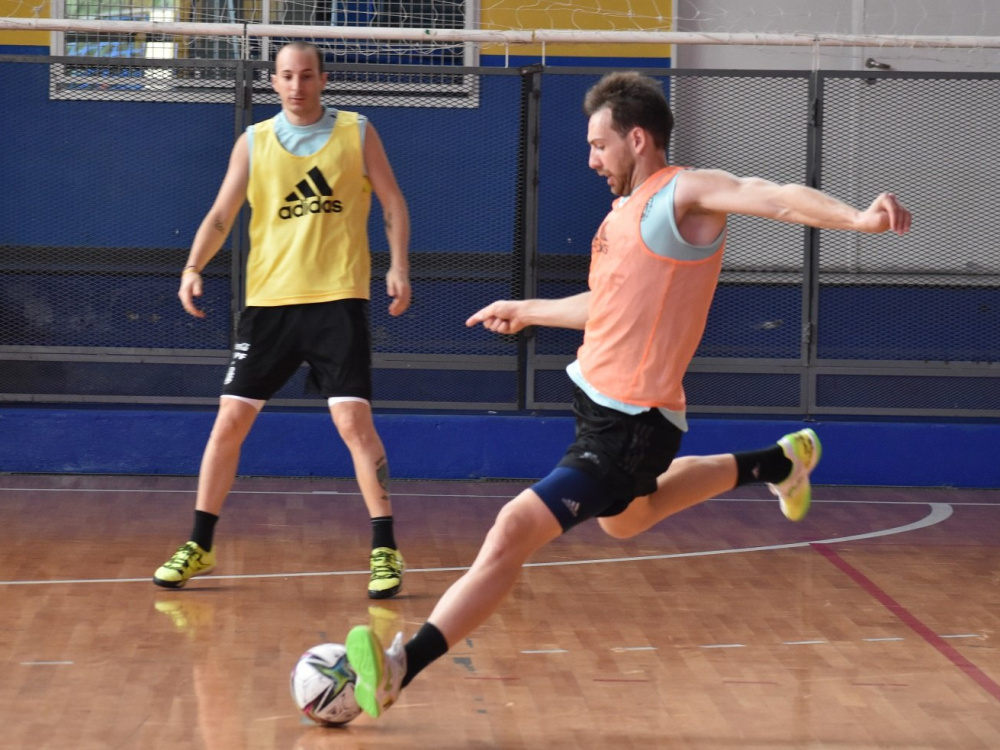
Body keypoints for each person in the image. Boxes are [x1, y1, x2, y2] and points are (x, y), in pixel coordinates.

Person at [339, 71, 912, 717]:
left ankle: (400, 668)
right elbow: (608, 305)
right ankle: (779, 463)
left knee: (512, 530)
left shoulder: (683, 194)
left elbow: (771, 196)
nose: (591, 159)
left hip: (629, 423)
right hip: (604, 412)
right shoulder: (624, 215)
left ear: (636, 139)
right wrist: (527, 309)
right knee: (628, 518)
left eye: (598, 144)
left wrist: (857, 218)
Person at [153, 41, 411, 600]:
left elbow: (392, 201)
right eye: (287, 76)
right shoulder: (254, 141)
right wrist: (193, 266)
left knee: (353, 424)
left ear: (323, 79)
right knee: (229, 422)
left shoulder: (357, 132)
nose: (297, 85)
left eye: (307, 75)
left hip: (337, 300)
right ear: (274, 82)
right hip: (269, 304)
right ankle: (200, 543)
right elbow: (221, 214)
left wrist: (398, 265)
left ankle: (385, 548)